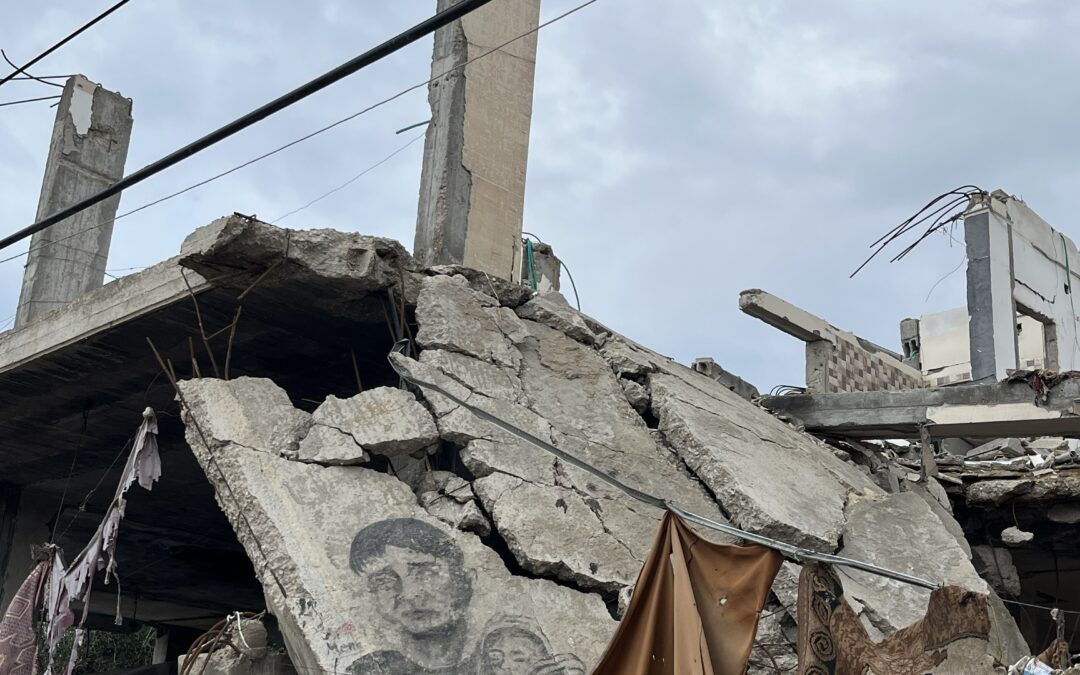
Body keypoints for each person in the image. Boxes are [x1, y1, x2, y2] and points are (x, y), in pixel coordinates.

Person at [347, 518, 584, 675]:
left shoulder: (506, 659)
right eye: (384, 581)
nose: (409, 594)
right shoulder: (369, 670)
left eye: (425, 572)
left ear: (468, 580)